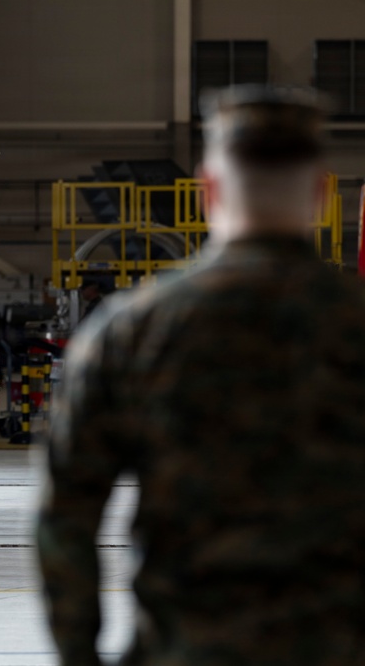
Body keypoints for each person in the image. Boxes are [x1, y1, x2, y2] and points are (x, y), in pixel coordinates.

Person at [37, 85, 365, 665]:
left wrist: (79, 655)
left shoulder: (129, 331)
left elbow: (65, 519)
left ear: (207, 190)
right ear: (319, 194)